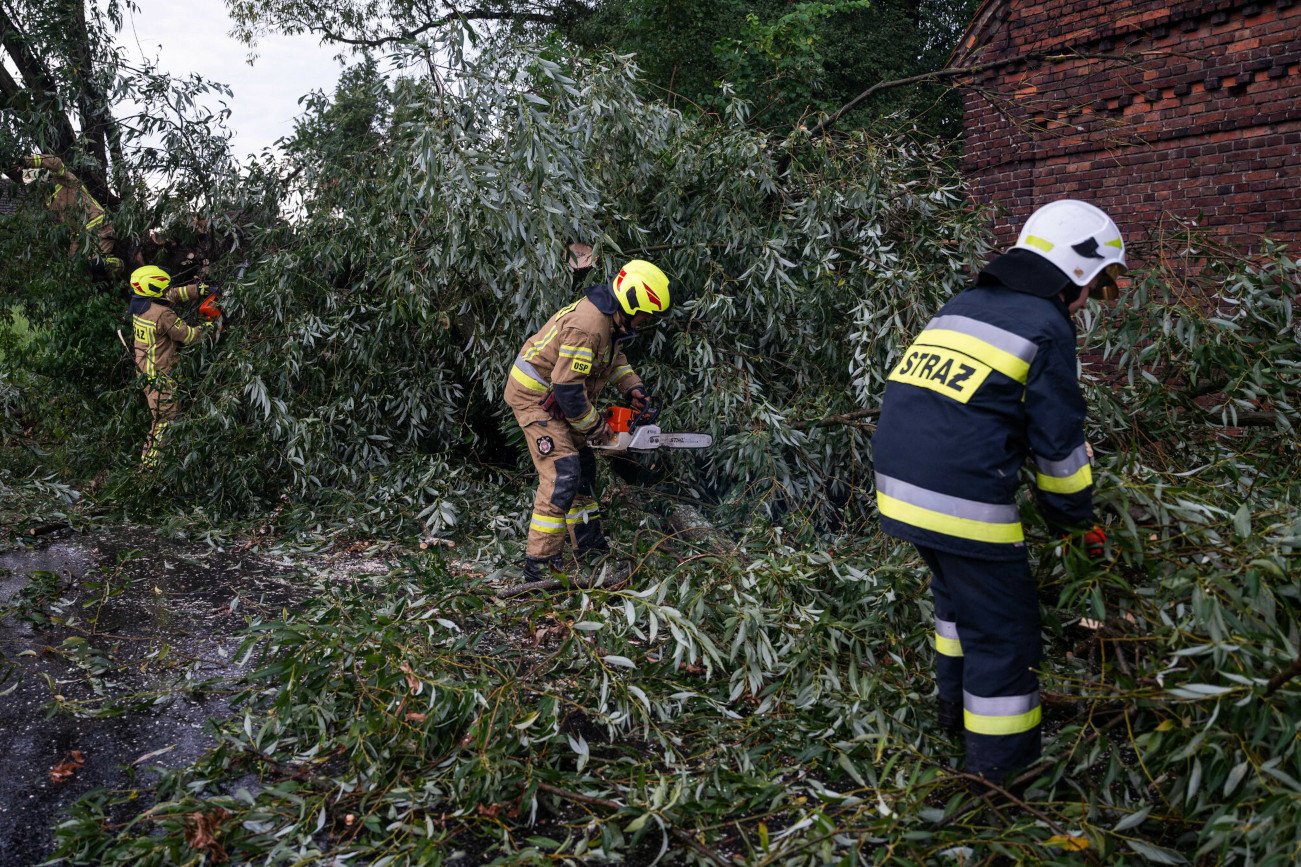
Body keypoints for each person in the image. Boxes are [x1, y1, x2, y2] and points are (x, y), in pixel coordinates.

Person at [871, 199, 1124, 786]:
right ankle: (1003, 780)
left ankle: (951, 721)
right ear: (1076, 274)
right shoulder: (1046, 324)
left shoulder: (965, 304)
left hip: (898, 485)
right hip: (960, 500)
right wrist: (1076, 526)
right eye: (1098, 288)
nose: (1091, 305)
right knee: (1007, 635)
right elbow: (1059, 446)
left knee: (959, 608)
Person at [504, 259, 671, 582]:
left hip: (559, 398)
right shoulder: (588, 326)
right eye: (646, 313)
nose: (646, 320)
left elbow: (613, 358)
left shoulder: (610, 322)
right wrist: (599, 430)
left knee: (584, 469)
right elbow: (568, 391)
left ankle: (589, 548)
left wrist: (632, 386)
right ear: (632, 301)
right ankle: (540, 567)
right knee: (562, 472)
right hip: (536, 399)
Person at [128, 265, 220, 468]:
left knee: (162, 418)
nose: (167, 289)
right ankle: (150, 467)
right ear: (154, 288)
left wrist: (199, 290)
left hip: (146, 373)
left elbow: (172, 295)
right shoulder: (162, 315)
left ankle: (156, 462)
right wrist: (209, 326)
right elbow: (188, 336)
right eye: (163, 286)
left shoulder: (141, 305)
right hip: (160, 378)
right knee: (164, 420)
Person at [16, 154, 122, 273]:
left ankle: (115, 264)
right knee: (73, 270)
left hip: (98, 227)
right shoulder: (47, 200)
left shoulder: (64, 179)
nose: (34, 189)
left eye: (34, 184)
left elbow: (56, 162)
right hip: (79, 235)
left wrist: (26, 160)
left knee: (95, 266)